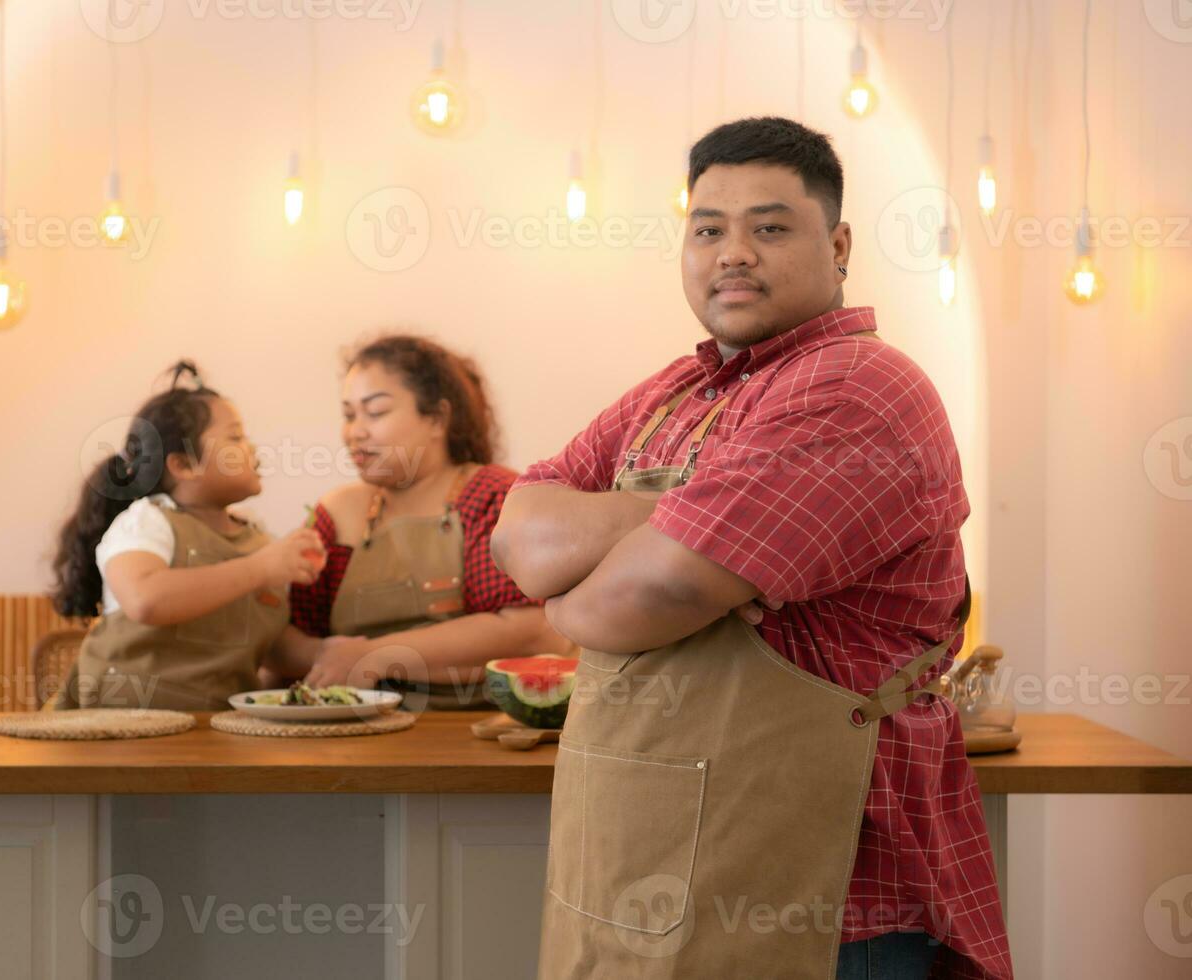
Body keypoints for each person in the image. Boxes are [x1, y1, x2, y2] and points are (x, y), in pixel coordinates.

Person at [492, 117, 1012, 979]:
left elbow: (642, 601)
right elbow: (521, 532)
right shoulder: (675, 389)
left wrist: (577, 590)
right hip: (645, 864)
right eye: (708, 229)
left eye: (769, 227)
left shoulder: (856, 385)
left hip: (831, 895)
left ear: (838, 245)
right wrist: (675, 517)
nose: (733, 252)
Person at [271, 335, 568, 708]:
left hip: (474, 734)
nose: (355, 431)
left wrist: (374, 656)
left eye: (375, 412)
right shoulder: (337, 513)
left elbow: (534, 632)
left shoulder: (492, 495)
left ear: (437, 419)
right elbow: (280, 639)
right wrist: (330, 657)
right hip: (350, 734)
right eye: (349, 415)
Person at [48, 360, 325, 711]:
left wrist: (329, 653)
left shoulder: (258, 541)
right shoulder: (148, 522)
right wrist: (261, 569)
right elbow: (145, 599)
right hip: (118, 732)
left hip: (214, 737)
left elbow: (269, 645)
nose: (252, 448)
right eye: (236, 437)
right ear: (182, 464)